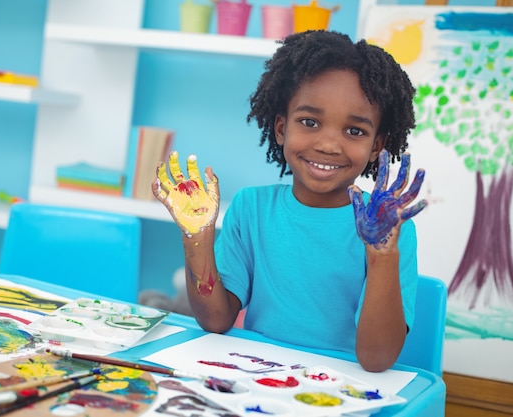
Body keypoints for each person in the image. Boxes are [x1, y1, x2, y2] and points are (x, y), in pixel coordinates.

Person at [152, 30, 428, 372]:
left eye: (354, 131)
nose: (328, 144)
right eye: (309, 122)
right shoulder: (252, 209)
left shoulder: (391, 231)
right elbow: (215, 320)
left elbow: (376, 359)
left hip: (341, 389)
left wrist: (382, 255)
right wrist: (197, 237)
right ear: (281, 128)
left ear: (376, 145)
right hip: (257, 377)